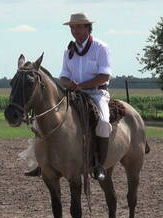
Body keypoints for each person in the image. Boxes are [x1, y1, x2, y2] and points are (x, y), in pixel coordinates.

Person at [24, 12, 112, 180]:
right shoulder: (68, 51)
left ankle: (99, 164)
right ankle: (41, 162)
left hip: (96, 93)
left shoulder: (101, 48)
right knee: (40, 120)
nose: (74, 30)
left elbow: (104, 76)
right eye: (72, 27)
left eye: (78, 26)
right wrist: (68, 84)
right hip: (73, 94)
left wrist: (82, 85)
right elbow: (63, 76)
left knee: (103, 122)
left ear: (87, 27)